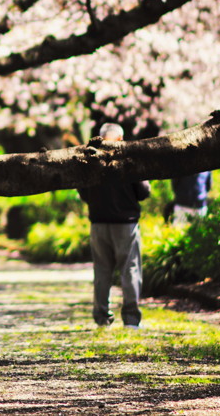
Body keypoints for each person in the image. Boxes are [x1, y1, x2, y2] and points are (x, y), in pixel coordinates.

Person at [77, 123, 150, 329]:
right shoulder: (129, 160)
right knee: (130, 269)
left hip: (98, 223)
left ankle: (102, 318)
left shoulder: (90, 161)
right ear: (120, 140)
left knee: (101, 271)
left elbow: (83, 192)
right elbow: (144, 192)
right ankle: (131, 319)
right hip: (125, 224)